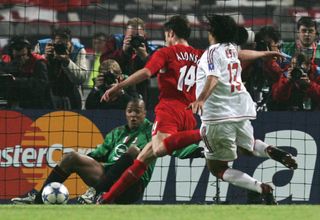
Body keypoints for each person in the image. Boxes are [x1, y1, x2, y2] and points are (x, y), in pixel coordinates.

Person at [97, 15, 286, 204]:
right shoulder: (200, 54)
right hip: (189, 113)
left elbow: (147, 72)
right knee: (144, 156)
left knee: (158, 148)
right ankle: (106, 199)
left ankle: (204, 134)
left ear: (170, 33)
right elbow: (236, 54)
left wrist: (118, 87)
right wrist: (262, 54)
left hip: (170, 110)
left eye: (166, 35)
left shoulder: (166, 52)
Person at [188, 14, 297, 205]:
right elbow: (240, 54)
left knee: (217, 168)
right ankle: (272, 150)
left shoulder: (211, 53)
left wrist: (201, 99)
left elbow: (213, 77)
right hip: (239, 111)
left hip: (217, 116)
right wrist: (263, 54)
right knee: (248, 147)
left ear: (212, 32)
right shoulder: (229, 48)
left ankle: (260, 187)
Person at [11, 98, 202, 204]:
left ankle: (95, 191)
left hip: (132, 184)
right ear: (125, 113)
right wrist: (84, 159)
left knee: (134, 151)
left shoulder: (153, 129)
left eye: (137, 111)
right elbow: (99, 153)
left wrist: (192, 149)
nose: (133, 115)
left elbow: (170, 144)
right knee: (70, 157)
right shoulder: (117, 133)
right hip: (106, 175)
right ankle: (37, 200)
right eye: (130, 111)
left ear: (145, 113)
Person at [100, 17, 160, 108]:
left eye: (138, 37)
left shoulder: (150, 49)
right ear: (125, 34)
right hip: (114, 92)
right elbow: (103, 62)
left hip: (141, 92)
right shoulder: (115, 41)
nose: (134, 40)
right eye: (131, 37)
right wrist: (122, 51)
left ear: (145, 35)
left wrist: (145, 56)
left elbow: (156, 73)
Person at [34, 27, 88, 109]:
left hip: (71, 93)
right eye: (58, 44)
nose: (61, 47)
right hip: (47, 92)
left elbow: (81, 79)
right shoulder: (41, 46)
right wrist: (45, 57)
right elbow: (33, 73)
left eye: (65, 44)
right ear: (52, 42)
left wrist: (67, 61)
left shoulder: (78, 50)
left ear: (70, 42)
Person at [0, 36, 52, 109]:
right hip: (14, 105)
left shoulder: (38, 63)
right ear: (12, 54)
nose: (21, 59)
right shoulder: (7, 65)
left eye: (23, 55)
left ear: (28, 53)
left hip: (36, 106)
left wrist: (15, 80)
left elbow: (41, 85)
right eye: (18, 57)